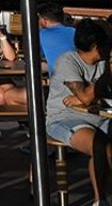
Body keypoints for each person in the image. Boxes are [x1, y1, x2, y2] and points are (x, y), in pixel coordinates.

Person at [45, 19, 110, 203]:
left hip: (99, 117)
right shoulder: (68, 61)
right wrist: (94, 90)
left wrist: (88, 95)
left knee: (106, 147)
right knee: (99, 145)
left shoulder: (104, 62)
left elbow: (88, 97)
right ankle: (101, 201)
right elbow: (86, 98)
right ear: (97, 46)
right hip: (64, 118)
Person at [38, 2, 76, 67]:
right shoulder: (74, 31)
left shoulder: (41, 35)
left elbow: (34, 59)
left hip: (57, 76)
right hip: (76, 75)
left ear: (44, 21)